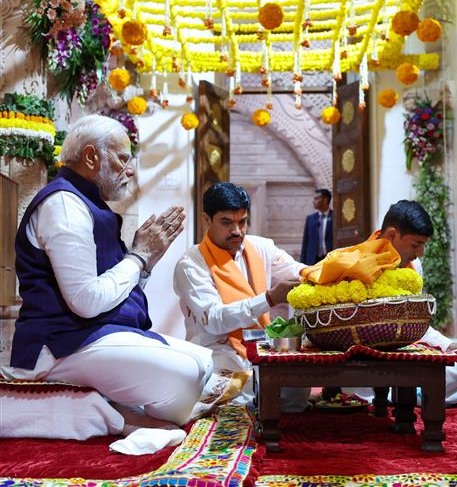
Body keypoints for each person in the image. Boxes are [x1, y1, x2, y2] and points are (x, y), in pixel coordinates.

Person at [9, 114, 213, 426]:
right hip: (58, 345)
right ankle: (126, 420)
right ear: (91, 157)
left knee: (204, 361)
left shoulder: (89, 203)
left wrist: (145, 265)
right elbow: (87, 302)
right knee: (186, 372)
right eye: (122, 159)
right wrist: (138, 257)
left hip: (89, 336)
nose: (130, 170)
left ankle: (126, 412)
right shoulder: (64, 204)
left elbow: (112, 292)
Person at [173, 182, 310, 412]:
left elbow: (300, 272)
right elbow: (215, 319)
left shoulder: (260, 248)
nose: (237, 231)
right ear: (207, 220)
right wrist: (268, 299)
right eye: (226, 222)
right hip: (218, 356)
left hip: (261, 350)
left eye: (242, 221)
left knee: (297, 387)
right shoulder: (191, 265)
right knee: (228, 396)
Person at [346, 200, 457, 405]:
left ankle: (405, 395)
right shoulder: (353, 261)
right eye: (415, 245)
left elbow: (414, 322)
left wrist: (446, 345)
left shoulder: (413, 266)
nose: (420, 253)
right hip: (365, 360)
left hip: (404, 352)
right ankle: (409, 393)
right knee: (355, 373)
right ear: (392, 235)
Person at [300, 189, 333, 265]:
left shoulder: (335, 217)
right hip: (313, 260)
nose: (313, 201)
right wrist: (302, 263)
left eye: (316, 198)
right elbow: (305, 242)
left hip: (330, 258)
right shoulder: (310, 219)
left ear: (325, 200)